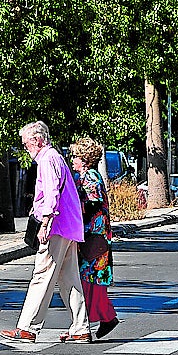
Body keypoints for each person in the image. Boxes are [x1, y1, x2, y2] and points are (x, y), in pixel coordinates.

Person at [1, 120, 90, 343]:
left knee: (42, 275)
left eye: (26, 144)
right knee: (69, 278)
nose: (25, 149)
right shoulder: (55, 157)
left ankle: (28, 327)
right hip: (69, 226)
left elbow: (51, 195)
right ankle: (80, 328)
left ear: (38, 141)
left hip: (57, 227)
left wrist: (45, 223)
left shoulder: (48, 159)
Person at [69, 138, 119, 340]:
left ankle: (88, 323)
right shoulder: (86, 175)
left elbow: (92, 204)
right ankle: (103, 318)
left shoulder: (90, 176)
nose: (72, 160)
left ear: (85, 159)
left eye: (75, 156)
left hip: (94, 236)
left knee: (89, 280)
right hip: (93, 235)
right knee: (90, 280)